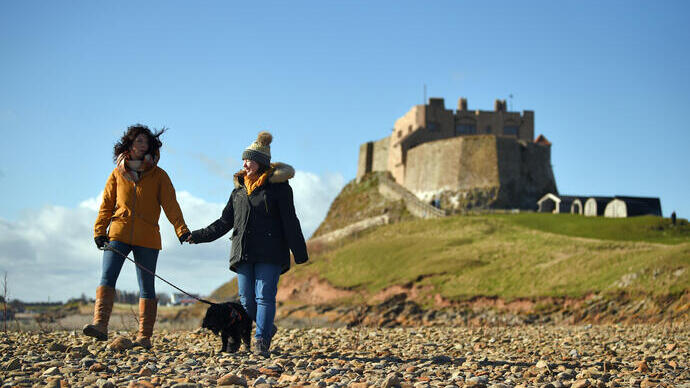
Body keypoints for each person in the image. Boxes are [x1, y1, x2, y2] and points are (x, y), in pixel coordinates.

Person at [187, 131, 308, 357]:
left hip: (271, 252)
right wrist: (198, 235)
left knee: (264, 296)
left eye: (249, 159)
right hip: (243, 252)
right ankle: (266, 326)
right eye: (243, 159)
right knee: (246, 300)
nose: (245, 163)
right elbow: (224, 222)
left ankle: (261, 339)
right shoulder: (238, 192)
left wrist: (299, 252)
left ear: (261, 162)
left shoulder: (280, 189)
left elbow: (291, 221)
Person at [83, 124, 191, 348]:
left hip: (148, 238)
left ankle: (144, 337)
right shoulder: (117, 174)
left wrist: (181, 229)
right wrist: (99, 231)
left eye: (146, 142)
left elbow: (171, 205)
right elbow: (106, 205)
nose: (142, 145)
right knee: (107, 278)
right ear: (129, 145)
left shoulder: (159, 175)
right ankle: (100, 325)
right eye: (138, 141)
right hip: (118, 234)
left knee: (147, 287)